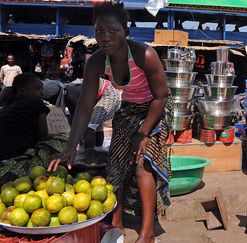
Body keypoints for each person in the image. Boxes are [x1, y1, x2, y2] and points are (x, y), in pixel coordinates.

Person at [48, 3, 173, 243]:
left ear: (125, 31)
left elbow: (162, 96)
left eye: (112, 31)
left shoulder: (144, 54)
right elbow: (85, 106)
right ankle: (116, 221)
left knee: (141, 164)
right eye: (99, 31)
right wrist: (72, 145)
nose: (105, 37)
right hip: (128, 111)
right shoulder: (96, 61)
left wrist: (144, 133)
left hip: (154, 112)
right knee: (115, 167)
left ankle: (147, 232)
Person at [0, 73, 67, 184]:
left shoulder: (9, 106)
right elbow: (43, 135)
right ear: (22, 91)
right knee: (63, 139)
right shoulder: (36, 103)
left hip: (3, 155)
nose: (41, 92)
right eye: (37, 89)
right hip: (15, 156)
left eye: (42, 89)